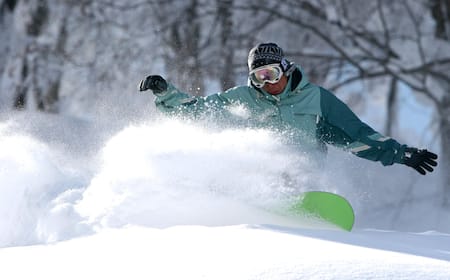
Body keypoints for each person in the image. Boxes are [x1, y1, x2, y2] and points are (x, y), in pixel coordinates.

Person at [138, 42, 438, 175]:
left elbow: (357, 135)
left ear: (285, 68)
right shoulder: (244, 96)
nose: (268, 82)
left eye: (272, 73)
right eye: (259, 76)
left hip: (304, 173)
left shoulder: (317, 99)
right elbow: (199, 112)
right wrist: (166, 93)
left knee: (336, 138)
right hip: (257, 173)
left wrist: (400, 154)